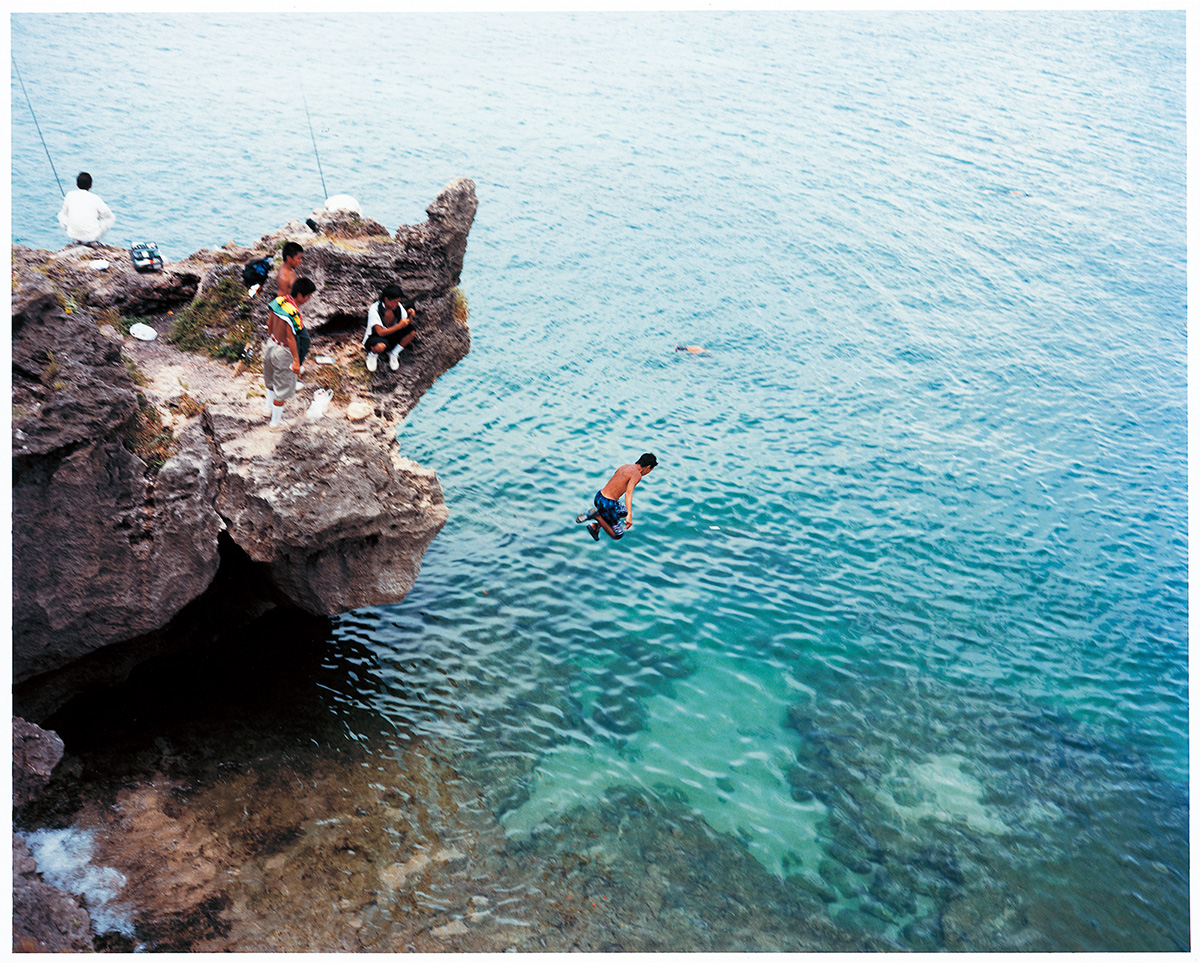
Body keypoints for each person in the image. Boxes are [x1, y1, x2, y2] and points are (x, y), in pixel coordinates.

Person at [263, 277, 317, 431]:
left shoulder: (279, 301)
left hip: (271, 344)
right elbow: (290, 338)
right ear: (300, 295)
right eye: (308, 296)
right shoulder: (293, 313)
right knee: (282, 388)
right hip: (284, 351)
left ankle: (267, 408)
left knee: (271, 379)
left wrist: (273, 337)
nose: (309, 299)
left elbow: (269, 324)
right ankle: (275, 423)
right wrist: (296, 361)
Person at [575, 453, 658, 541]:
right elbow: (628, 493)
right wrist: (630, 515)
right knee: (617, 535)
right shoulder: (637, 475)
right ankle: (597, 516)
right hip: (608, 503)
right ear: (648, 467)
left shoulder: (625, 466)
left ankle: (596, 526)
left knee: (623, 512)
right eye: (650, 470)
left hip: (599, 496)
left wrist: (627, 513)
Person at [362, 283, 416, 372]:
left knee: (412, 330)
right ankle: (372, 354)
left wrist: (410, 316)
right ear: (387, 300)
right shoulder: (375, 309)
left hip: (390, 336)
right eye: (395, 302)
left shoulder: (398, 307)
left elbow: (407, 323)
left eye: (398, 302)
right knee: (380, 347)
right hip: (375, 338)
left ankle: (393, 353)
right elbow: (380, 332)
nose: (397, 304)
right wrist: (399, 326)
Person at [56, 172, 116, 247]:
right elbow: (108, 214)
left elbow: (64, 213)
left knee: (62, 214)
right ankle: (92, 241)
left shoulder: (70, 195)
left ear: (77, 184)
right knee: (111, 217)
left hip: (73, 233)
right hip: (92, 236)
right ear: (90, 185)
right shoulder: (95, 198)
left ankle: (78, 240)